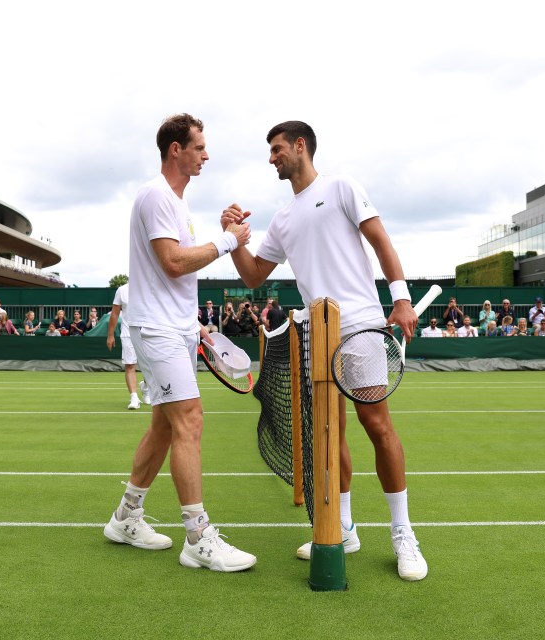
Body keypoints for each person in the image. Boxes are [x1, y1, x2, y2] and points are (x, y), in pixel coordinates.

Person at [222, 119, 426, 581]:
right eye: (269, 151)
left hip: (360, 328)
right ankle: (345, 527)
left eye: (277, 149)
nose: (271, 157)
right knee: (330, 435)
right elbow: (254, 275)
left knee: (377, 425)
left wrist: (401, 298)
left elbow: (381, 241)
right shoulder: (281, 219)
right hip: (317, 333)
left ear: (300, 146)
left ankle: (403, 533)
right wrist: (234, 238)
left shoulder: (341, 187)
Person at [105, 113, 256, 573]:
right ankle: (198, 537)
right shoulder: (155, 195)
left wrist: (198, 326)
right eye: (199, 147)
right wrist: (227, 241)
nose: (206, 154)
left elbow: (170, 279)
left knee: (165, 426)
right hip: (157, 332)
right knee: (190, 419)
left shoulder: (173, 203)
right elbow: (172, 262)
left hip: (175, 328)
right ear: (176, 149)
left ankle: (126, 517)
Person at [108, 282, 145, 410]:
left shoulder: (152, 287)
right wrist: (110, 335)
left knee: (151, 366)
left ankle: (145, 386)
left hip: (149, 333)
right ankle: (134, 397)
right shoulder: (122, 290)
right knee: (130, 365)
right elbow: (114, 313)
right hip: (128, 333)